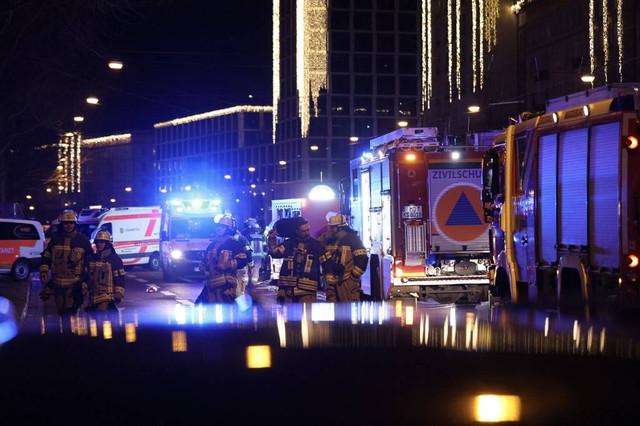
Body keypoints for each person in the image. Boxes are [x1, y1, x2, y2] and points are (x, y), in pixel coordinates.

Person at [39, 209, 93, 318]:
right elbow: (46, 257)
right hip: (57, 283)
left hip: (75, 284)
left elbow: (90, 262)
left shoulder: (83, 241)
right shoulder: (55, 240)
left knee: (70, 312)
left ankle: (71, 334)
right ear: (62, 224)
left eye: (71, 223)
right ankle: (65, 333)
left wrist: (85, 282)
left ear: (75, 224)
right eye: (66, 223)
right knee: (61, 312)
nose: (69, 226)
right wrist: (44, 272)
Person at [268, 217, 331, 304]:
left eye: (307, 230)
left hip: (307, 291)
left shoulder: (317, 246)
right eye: (303, 231)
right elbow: (275, 253)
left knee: (305, 317)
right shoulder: (289, 244)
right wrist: (272, 238)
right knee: (287, 317)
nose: (306, 233)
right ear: (297, 232)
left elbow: (328, 265)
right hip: (288, 290)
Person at [196, 215, 248, 304]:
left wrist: (226, 265)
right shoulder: (212, 245)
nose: (219, 229)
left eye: (223, 227)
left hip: (227, 286)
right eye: (219, 227)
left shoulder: (234, 244)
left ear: (228, 229)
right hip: (211, 286)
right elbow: (206, 264)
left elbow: (242, 261)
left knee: (226, 312)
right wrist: (203, 264)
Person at [324, 214, 368, 303]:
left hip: (346, 282)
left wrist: (353, 277)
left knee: (349, 312)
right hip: (332, 284)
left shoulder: (353, 239)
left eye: (332, 228)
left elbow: (362, 260)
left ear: (339, 228)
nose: (330, 230)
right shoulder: (330, 241)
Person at [81, 229, 125, 317]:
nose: (99, 244)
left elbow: (119, 279)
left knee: (101, 316)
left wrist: (118, 295)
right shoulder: (91, 258)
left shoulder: (114, 259)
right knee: (94, 322)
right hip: (93, 296)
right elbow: (85, 276)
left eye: (102, 242)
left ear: (107, 244)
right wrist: (84, 288)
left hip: (107, 296)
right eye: (97, 242)